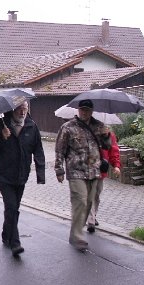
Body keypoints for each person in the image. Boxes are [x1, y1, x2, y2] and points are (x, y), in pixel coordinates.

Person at [0, 97, 46, 256]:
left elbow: (38, 150)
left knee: (13, 208)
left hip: (21, 175)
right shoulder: (1, 125)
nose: (22, 111)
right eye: (19, 108)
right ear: (13, 110)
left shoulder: (32, 127)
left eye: (25, 108)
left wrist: (41, 174)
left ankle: (6, 234)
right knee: (11, 206)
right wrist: (1, 137)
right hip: (4, 175)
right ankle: (15, 242)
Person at [54, 99, 111, 251]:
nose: (84, 112)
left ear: (92, 111)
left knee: (90, 203)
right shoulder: (68, 127)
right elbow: (60, 150)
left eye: (87, 110)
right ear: (78, 110)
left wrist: (106, 135)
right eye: (82, 109)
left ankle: (78, 230)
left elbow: (107, 147)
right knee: (81, 201)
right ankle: (76, 236)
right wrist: (59, 170)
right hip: (76, 171)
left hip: (94, 171)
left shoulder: (99, 126)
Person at [86, 130, 121, 233]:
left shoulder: (108, 134)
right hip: (87, 169)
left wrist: (116, 166)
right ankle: (91, 220)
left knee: (96, 195)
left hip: (101, 170)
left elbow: (114, 150)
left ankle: (93, 215)